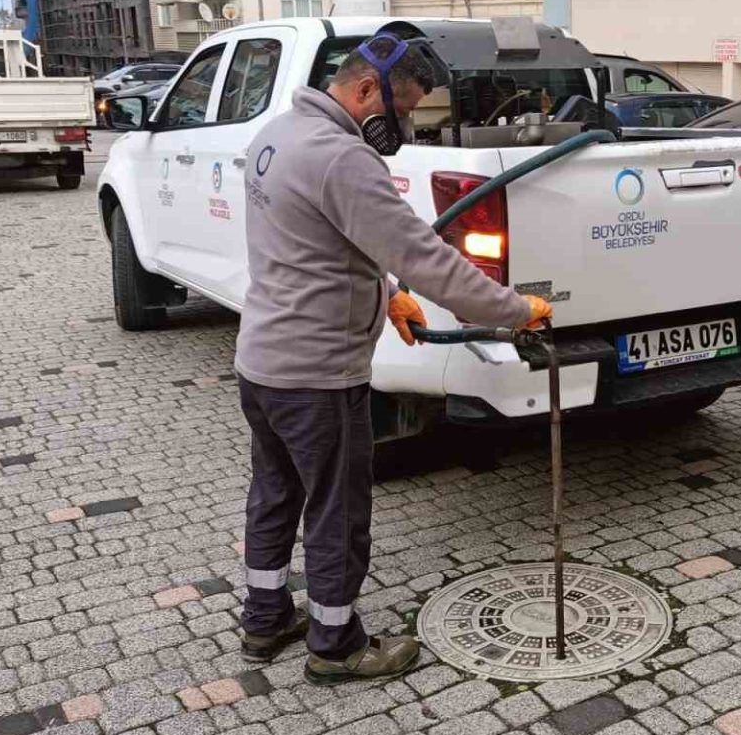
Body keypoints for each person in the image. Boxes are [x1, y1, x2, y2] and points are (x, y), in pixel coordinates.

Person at [233, 36, 551, 685]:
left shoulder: (279, 134)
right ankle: (336, 645)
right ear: (364, 90)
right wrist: (516, 309)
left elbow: (312, 242)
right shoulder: (343, 157)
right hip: (318, 376)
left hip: (263, 362)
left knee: (275, 491)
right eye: (402, 108)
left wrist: (384, 295)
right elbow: (427, 260)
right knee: (338, 510)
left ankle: (265, 618)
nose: (403, 123)